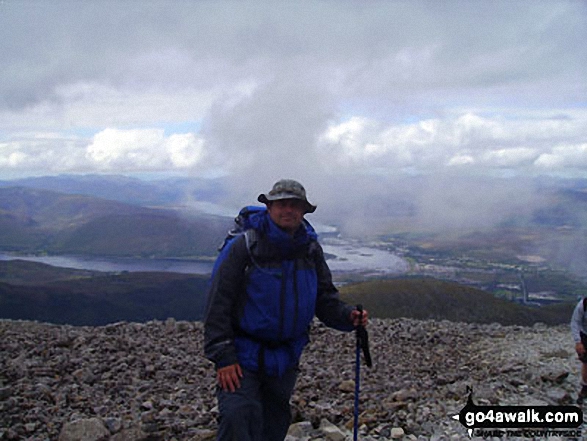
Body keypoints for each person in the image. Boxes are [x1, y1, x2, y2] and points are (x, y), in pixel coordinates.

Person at [204, 179, 368, 441]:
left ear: (304, 211)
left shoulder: (310, 249)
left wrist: (348, 316)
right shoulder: (245, 247)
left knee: (274, 422)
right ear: (269, 207)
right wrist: (224, 356)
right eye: (281, 204)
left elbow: (324, 299)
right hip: (243, 354)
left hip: (286, 356)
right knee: (238, 418)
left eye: (295, 205)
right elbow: (218, 302)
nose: (288, 210)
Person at [571, 298, 587, 404]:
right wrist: (578, 342)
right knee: (586, 362)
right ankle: (585, 387)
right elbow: (575, 322)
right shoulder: (583, 304)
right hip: (585, 335)